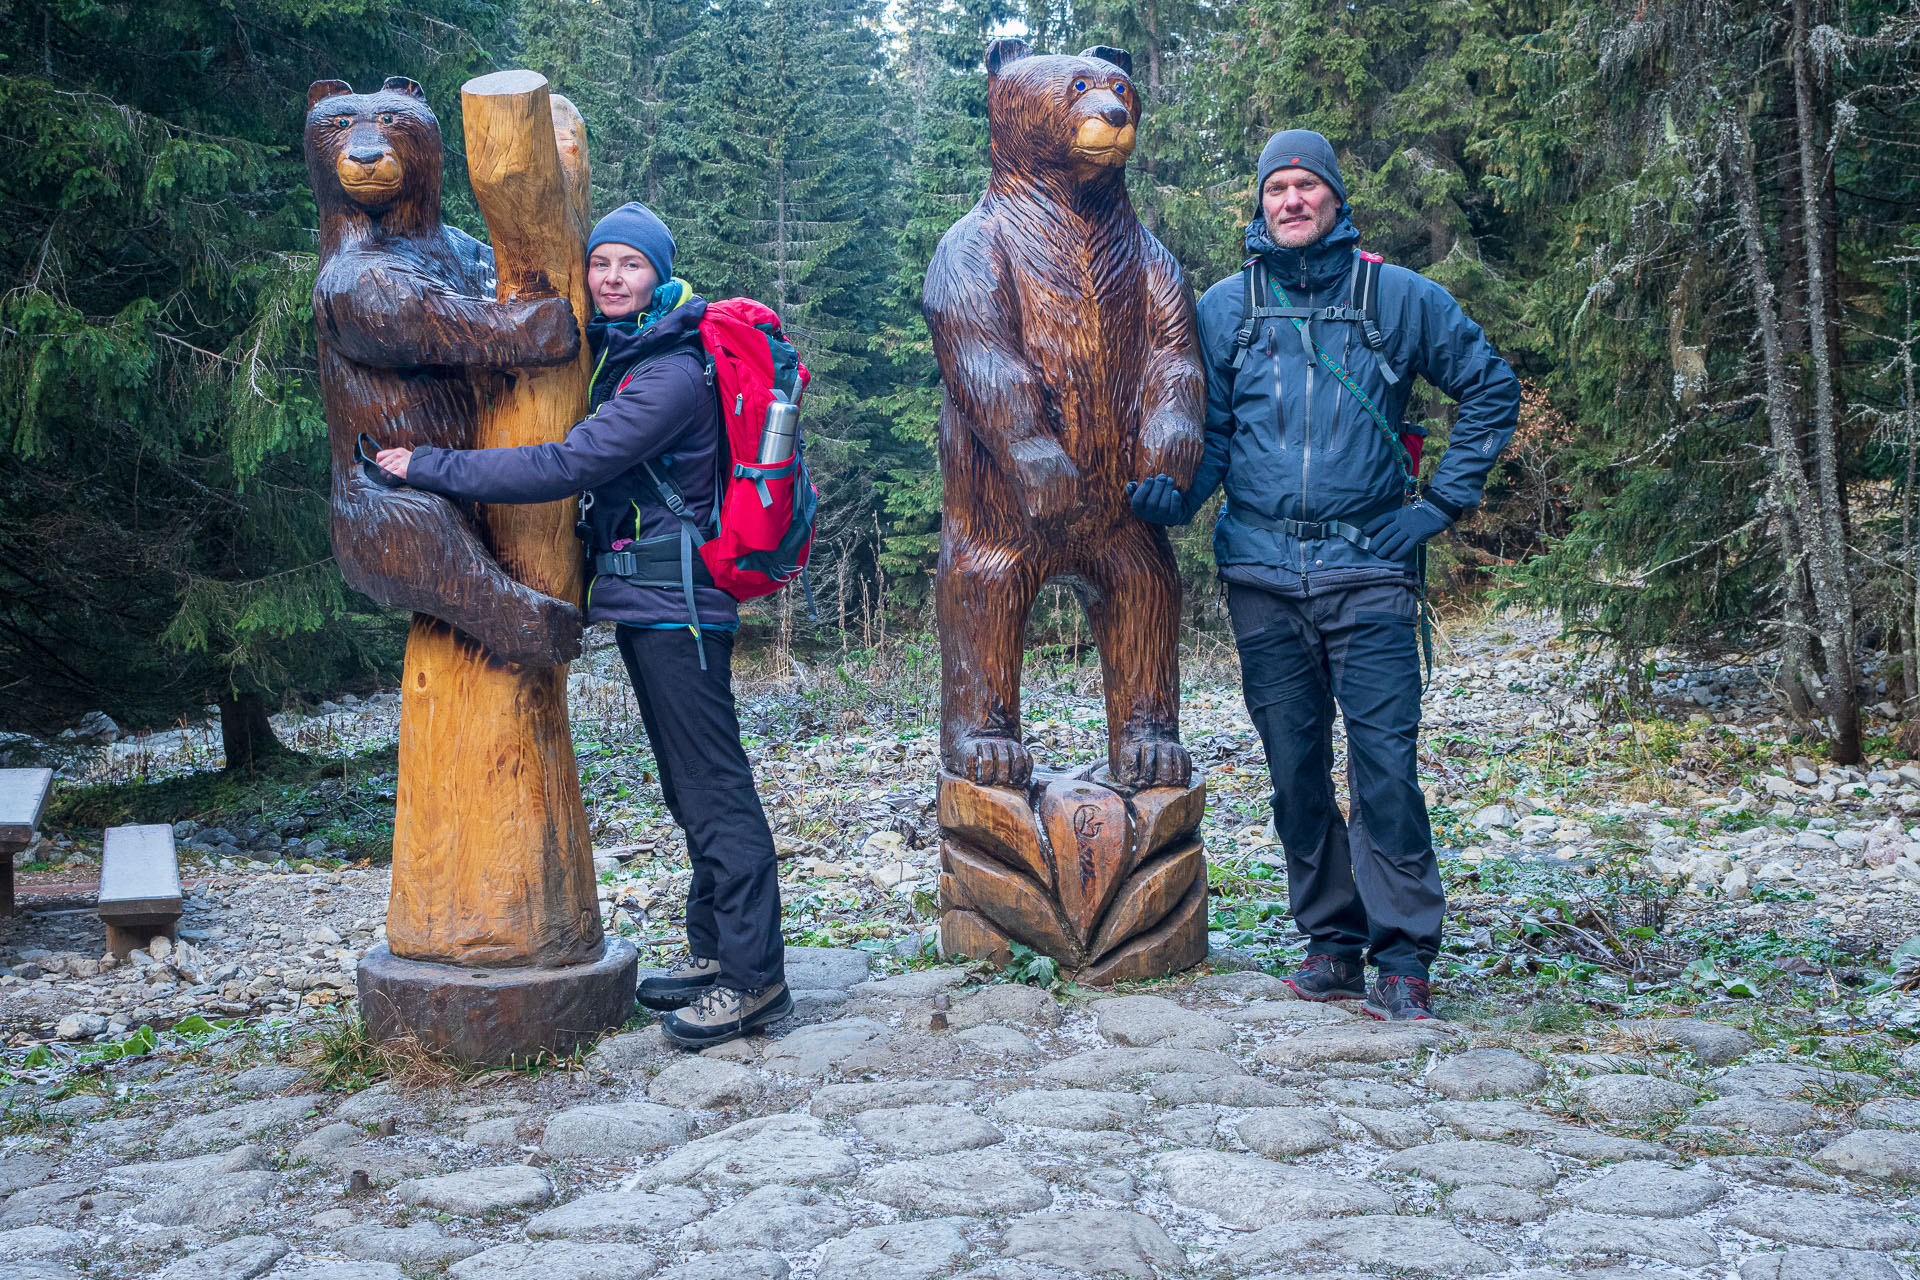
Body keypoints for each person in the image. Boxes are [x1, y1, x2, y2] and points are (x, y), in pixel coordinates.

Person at [373, 201, 789, 1047]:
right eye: (600, 264)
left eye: (630, 266)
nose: (610, 279)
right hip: (654, 603)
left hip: (681, 611)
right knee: (688, 787)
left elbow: (572, 463)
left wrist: (429, 467)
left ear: (659, 275)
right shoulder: (634, 357)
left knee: (713, 789)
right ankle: (715, 954)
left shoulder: (672, 373)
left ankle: (756, 984)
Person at [1128, 131, 1520, 1021]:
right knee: (1296, 772)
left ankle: (1405, 957)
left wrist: (1438, 506)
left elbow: (1492, 388)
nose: (1293, 200)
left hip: (1372, 573)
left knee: (1383, 767)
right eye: (1278, 188)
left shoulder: (1398, 297)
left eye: (1308, 186)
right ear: (1261, 203)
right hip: (1263, 574)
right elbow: (1216, 437)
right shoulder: (1227, 308)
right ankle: (1333, 943)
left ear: (1337, 200)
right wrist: (1175, 497)